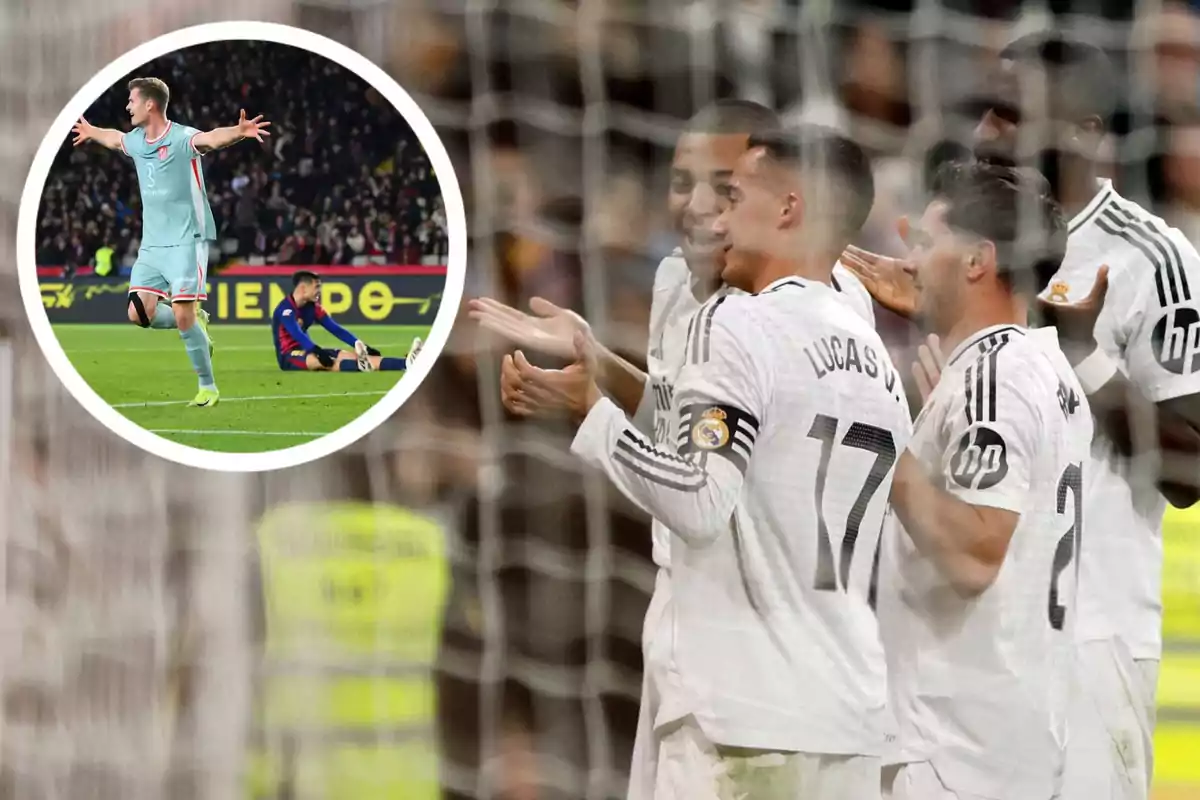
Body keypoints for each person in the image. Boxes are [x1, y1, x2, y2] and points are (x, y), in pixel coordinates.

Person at [468, 98, 875, 799]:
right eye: (681, 180)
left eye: (725, 187)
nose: (695, 205)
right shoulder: (709, 293)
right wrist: (598, 361)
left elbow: (704, 489)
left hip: (752, 654)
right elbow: (708, 428)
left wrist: (591, 413)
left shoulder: (748, 315)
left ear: (778, 197)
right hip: (737, 642)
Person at [843, 33, 1200, 800]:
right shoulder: (973, 249)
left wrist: (1086, 353)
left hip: (1094, 629)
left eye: (1011, 115)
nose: (986, 135)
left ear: (1086, 133)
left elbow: (1191, 466)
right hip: (977, 635)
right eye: (985, 113)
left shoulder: (1152, 257)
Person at [877, 161, 1092, 800]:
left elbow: (975, 556)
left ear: (977, 259)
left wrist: (882, 435)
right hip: (1011, 740)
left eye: (925, 244)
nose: (909, 264)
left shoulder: (992, 381)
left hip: (955, 753)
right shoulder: (1041, 371)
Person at [71, 76, 271, 408]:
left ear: (150, 104)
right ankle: (196, 322)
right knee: (138, 313)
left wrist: (237, 132)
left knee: (181, 314)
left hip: (187, 240)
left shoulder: (181, 137)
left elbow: (210, 140)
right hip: (151, 245)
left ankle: (207, 387)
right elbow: (114, 139)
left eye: (132, 100)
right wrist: (92, 132)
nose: (127, 106)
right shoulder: (136, 141)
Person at [272, 270, 420, 372]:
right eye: (316, 287)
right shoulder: (285, 310)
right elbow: (296, 334)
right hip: (289, 356)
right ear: (303, 289)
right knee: (322, 362)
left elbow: (336, 329)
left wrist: (360, 345)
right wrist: (316, 351)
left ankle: (407, 363)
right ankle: (358, 367)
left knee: (354, 356)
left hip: (310, 349)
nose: (319, 291)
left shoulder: (313, 308)